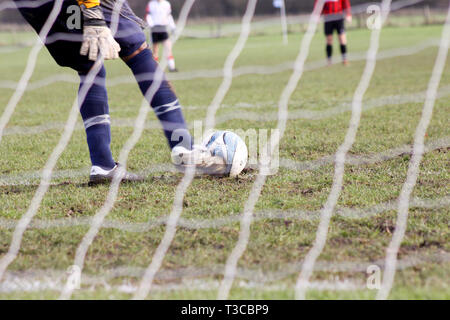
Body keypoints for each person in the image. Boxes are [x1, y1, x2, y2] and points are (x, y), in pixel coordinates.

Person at [13, 0, 222, 184]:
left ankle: (103, 165)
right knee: (139, 53)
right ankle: (184, 146)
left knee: (89, 67)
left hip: (36, 7)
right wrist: (93, 13)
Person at [316, 0, 352, 66]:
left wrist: (348, 14)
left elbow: (346, 3)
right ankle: (329, 60)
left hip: (339, 17)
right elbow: (318, 5)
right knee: (329, 40)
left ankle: (345, 59)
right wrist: (317, 16)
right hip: (328, 18)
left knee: (342, 39)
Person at [145, 0, 177, 72]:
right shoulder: (151, 4)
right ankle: (156, 69)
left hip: (163, 28)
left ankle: (172, 68)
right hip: (154, 29)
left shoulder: (166, 4)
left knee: (168, 48)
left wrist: (173, 27)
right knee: (155, 50)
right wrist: (151, 25)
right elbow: (148, 16)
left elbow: (169, 16)